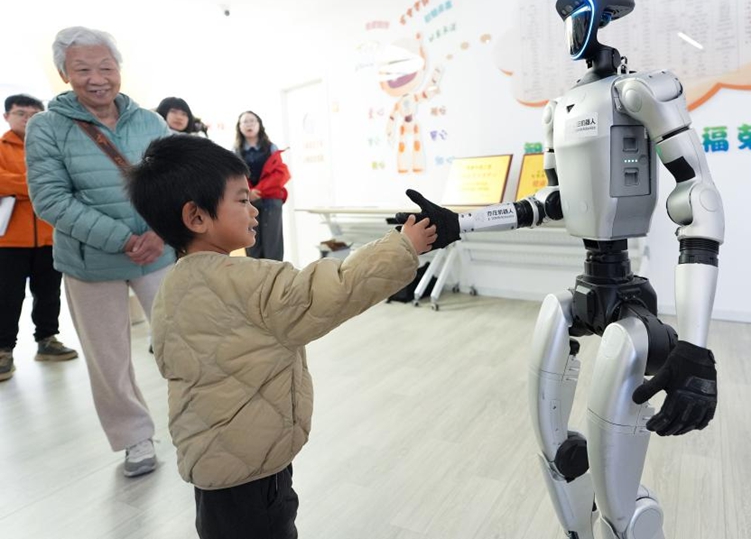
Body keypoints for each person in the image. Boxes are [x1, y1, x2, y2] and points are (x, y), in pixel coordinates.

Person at [125, 134, 435, 539]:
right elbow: (335, 289)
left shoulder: (173, 286)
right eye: (241, 200)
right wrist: (405, 245)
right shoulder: (249, 281)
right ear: (197, 217)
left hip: (211, 460)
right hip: (253, 468)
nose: (254, 209)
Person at [25, 26, 175, 477]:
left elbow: (176, 181)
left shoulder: (150, 121)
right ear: (64, 74)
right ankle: (134, 438)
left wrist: (159, 231)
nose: (97, 79)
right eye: (83, 69)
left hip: (157, 253)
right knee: (109, 359)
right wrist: (122, 239)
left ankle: (200, 420)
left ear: (119, 69)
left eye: (106, 67)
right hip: (90, 263)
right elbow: (50, 199)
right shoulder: (46, 127)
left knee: (183, 340)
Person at [0, 94, 78, 381]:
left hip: (50, 235)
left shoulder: (52, 147)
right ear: (7, 116)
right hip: (8, 240)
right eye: (21, 113)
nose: (27, 119)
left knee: (48, 292)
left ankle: (47, 340)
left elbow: (66, 182)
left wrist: (22, 186)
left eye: (34, 114)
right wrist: (39, 185)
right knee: (7, 296)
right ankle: (3, 350)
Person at [234, 110, 290, 260]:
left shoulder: (271, 148)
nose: (249, 124)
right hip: (247, 201)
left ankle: (276, 275)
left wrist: (258, 190)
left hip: (271, 199)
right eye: (245, 122)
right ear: (239, 127)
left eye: (252, 121)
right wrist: (249, 193)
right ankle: (256, 276)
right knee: (252, 244)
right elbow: (234, 177)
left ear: (259, 125)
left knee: (273, 245)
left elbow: (280, 174)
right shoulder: (235, 151)